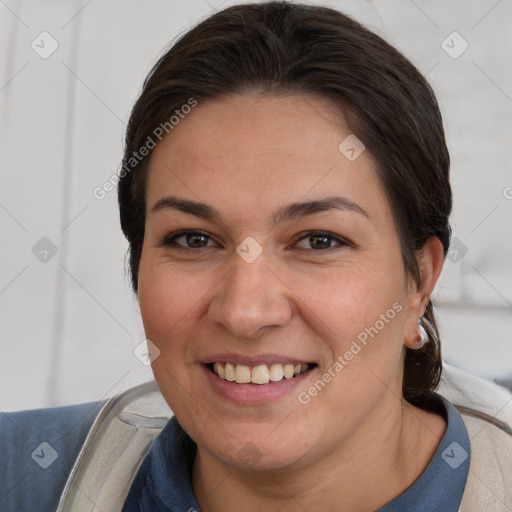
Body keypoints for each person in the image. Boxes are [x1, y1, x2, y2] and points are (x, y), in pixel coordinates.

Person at [1, 2, 511, 511]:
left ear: (418, 281)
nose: (244, 312)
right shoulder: (21, 479)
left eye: (318, 241)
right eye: (194, 239)